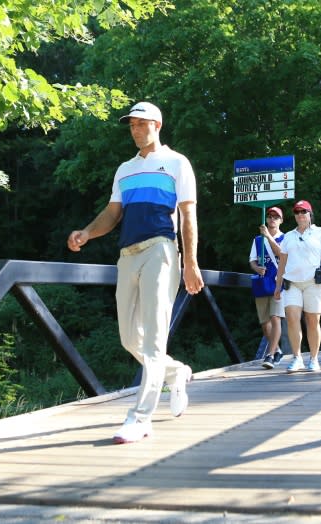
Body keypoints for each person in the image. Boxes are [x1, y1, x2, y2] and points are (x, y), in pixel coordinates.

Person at [67, 101, 204, 444]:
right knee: (130, 338)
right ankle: (177, 373)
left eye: (141, 124)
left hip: (160, 249)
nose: (135, 130)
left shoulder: (176, 163)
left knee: (155, 340)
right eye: (131, 125)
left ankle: (140, 417)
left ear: (157, 125)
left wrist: (191, 262)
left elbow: (188, 216)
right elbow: (113, 214)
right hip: (126, 255)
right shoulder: (124, 169)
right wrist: (86, 232)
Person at [274, 200, 321, 373]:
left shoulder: (320, 232)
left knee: (312, 320)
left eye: (304, 212)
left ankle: (314, 358)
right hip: (292, 283)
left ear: (310, 215)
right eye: (297, 212)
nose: (300, 215)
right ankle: (297, 358)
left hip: (314, 283)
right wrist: (277, 284)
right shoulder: (288, 236)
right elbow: (282, 261)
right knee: (292, 317)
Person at [249, 206, 286, 369]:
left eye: (276, 217)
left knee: (276, 317)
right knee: (265, 322)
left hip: (279, 282)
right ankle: (277, 350)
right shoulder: (257, 240)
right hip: (263, 283)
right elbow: (252, 260)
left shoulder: (286, 238)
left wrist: (268, 237)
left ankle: (270, 355)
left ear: (281, 220)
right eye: (270, 216)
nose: (272, 219)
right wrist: (257, 268)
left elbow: (281, 254)